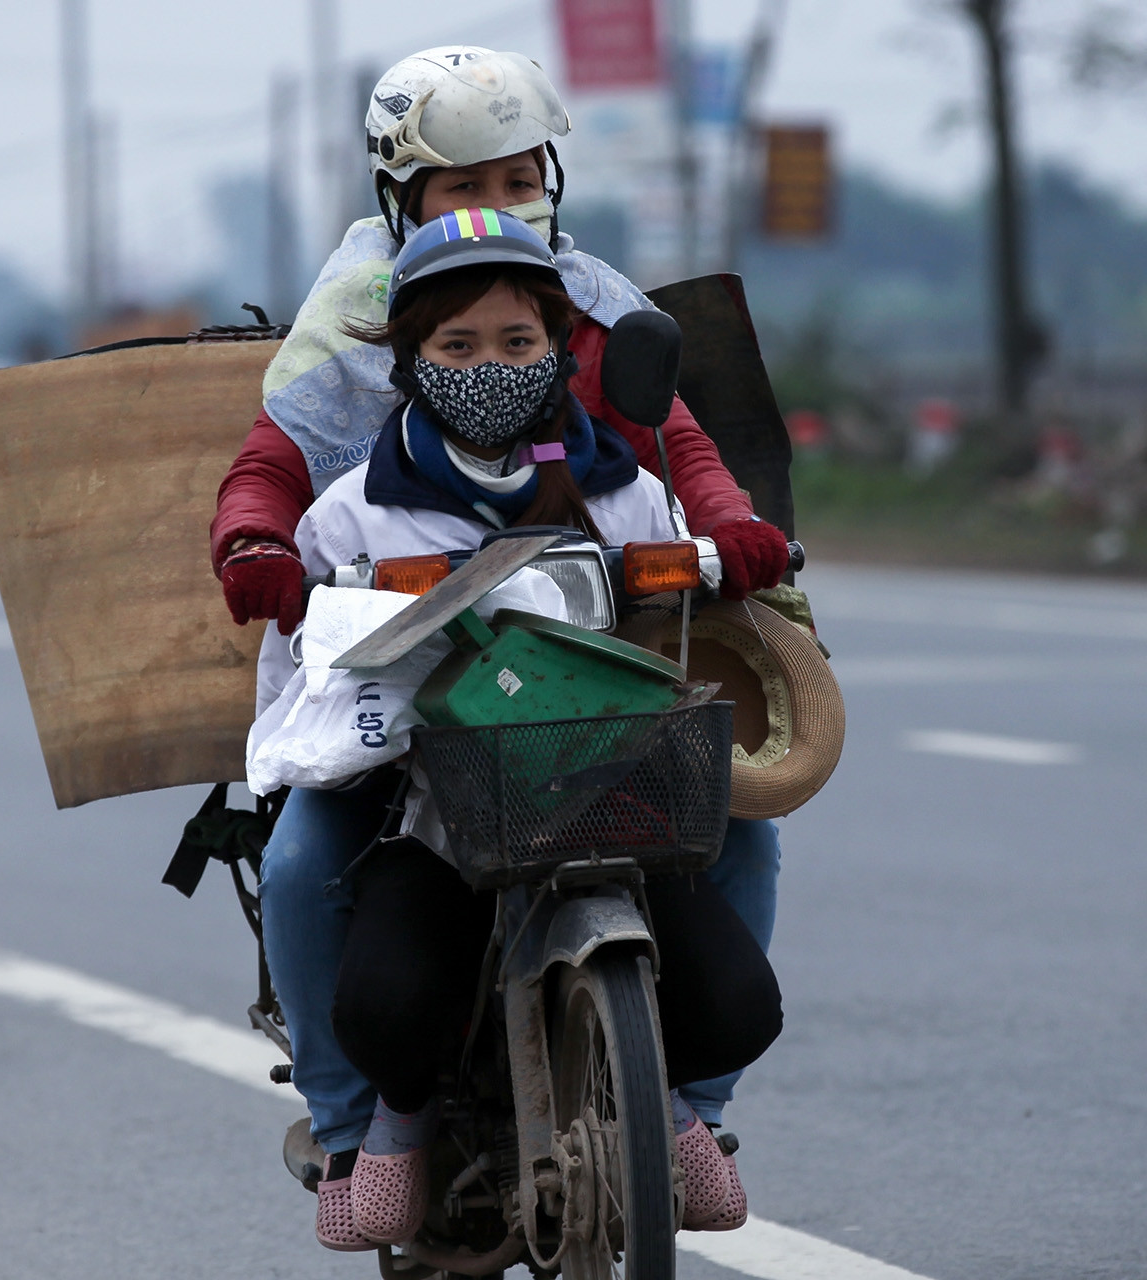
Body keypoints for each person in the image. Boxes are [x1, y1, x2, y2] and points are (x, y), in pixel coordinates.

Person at [234, 45, 786, 1222]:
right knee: (297, 861)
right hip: (410, 684)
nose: (499, 205)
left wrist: (729, 528)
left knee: (745, 821)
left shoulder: (588, 300)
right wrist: (261, 548)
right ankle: (351, 1137)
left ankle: (696, 1103)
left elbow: (678, 447)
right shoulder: (359, 326)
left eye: (522, 176)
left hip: (589, 673)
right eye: (460, 182)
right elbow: (272, 466)